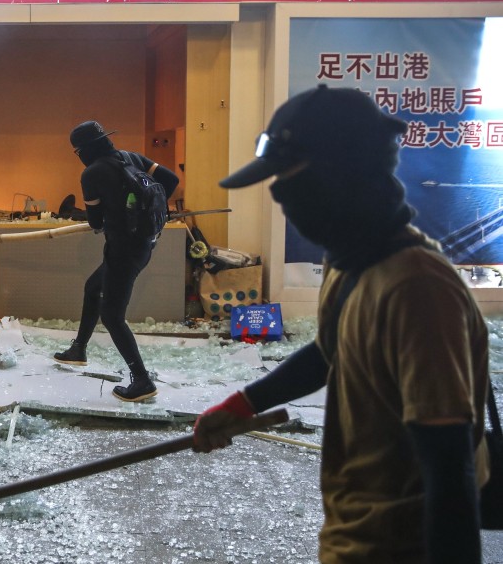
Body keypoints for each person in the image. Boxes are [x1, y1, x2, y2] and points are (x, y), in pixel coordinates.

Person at [192, 84, 488, 563]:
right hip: (355, 534)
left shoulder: (416, 288)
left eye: (291, 182)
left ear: (339, 175)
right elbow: (333, 350)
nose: (283, 199)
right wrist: (245, 403)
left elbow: (449, 470)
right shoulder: (350, 263)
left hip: (402, 547)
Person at [53, 120, 180, 402]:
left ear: (82, 151)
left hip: (123, 250)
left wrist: (119, 215)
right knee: (92, 287)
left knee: (111, 315)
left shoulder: (91, 174)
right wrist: (148, 211)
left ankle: (142, 381)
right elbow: (170, 180)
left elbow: (96, 222)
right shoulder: (131, 157)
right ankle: (79, 349)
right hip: (145, 243)